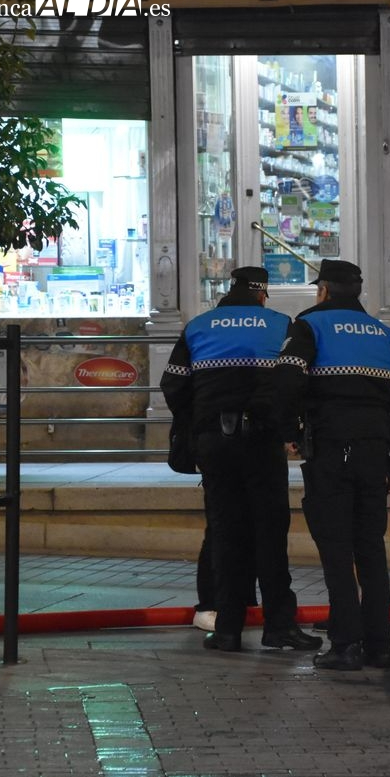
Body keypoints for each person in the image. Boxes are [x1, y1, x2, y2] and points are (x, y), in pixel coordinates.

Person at [161, 266, 322, 653]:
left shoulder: (199, 326)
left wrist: (198, 424)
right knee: (270, 532)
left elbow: (173, 384)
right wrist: (289, 428)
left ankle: (228, 630)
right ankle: (279, 625)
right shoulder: (281, 325)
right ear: (262, 294)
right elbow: (294, 381)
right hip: (262, 442)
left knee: (225, 533)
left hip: (215, 443)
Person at [269, 259, 390, 671]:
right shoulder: (386, 335)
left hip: (331, 450)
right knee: (371, 549)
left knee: (336, 549)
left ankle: (345, 644)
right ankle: (379, 646)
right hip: (375, 453)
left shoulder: (309, 325)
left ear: (323, 290)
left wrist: (289, 433)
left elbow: (286, 382)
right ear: (358, 291)